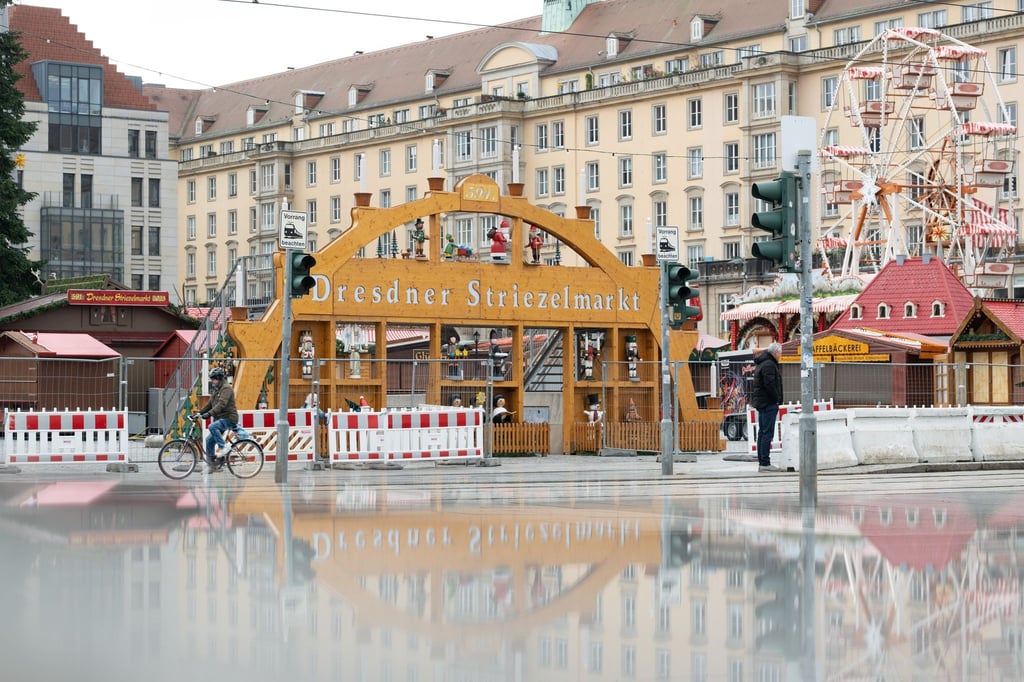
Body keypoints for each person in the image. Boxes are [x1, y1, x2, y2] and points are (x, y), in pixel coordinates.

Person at [194, 367, 239, 473]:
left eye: (213, 379)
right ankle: (212, 466)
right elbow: (209, 404)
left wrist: (209, 414)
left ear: (219, 378)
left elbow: (222, 404)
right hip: (220, 419)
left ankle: (223, 447)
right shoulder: (216, 389)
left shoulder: (226, 389)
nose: (212, 381)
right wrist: (199, 413)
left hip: (229, 418)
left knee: (212, 426)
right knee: (209, 440)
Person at [751, 342, 783, 473]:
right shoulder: (769, 365)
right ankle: (765, 462)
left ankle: (762, 461)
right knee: (767, 433)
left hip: (762, 402)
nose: (780, 356)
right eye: (780, 353)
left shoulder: (763, 363)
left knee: (762, 433)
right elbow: (770, 384)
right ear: (775, 353)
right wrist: (777, 399)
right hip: (768, 403)